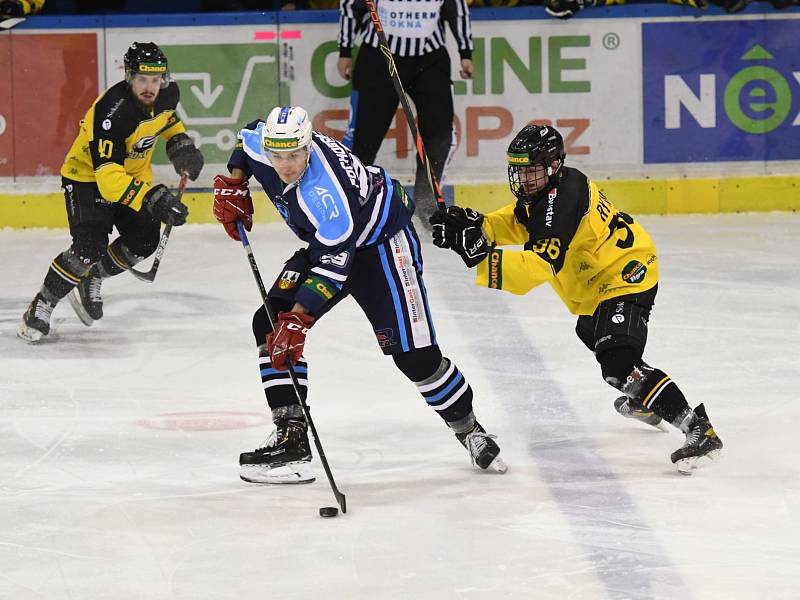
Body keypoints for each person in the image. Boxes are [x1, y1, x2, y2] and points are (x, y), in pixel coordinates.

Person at [212, 105, 506, 483]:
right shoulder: (266, 144)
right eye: (277, 156)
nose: (284, 165)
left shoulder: (327, 194)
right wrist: (236, 181)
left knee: (415, 358)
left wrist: (299, 320)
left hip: (380, 246)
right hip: (331, 245)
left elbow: (335, 267)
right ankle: (291, 433)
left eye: (293, 156)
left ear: (309, 148)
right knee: (268, 324)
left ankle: (470, 429)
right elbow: (249, 132)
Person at [428, 124, 723, 474]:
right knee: (594, 337)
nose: (524, 178)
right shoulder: (544, 193)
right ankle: (648, 399)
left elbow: (537, 267)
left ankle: (698, 429)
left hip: (625, 275)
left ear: (554, 165)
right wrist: (477, 226)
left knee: (616, 361)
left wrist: (478, 256)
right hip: (597, 285)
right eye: (519, 170)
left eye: (531, 170)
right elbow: (516, 221)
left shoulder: (562, 199)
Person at [18, 42, 203, 343]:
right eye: (142, 79)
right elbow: (108, 181)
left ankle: (93, 276)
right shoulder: (112, 112)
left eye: (155, 80)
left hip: (130, 176)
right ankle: (44, 302)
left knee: (144, 241)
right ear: (129, 76)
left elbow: (168, 119)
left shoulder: (168, 93)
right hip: (88, 178)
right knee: (89, 245)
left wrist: (179, 143)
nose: (149, 87)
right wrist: (152, 198)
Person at [337, 0, 474, 228]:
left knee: (439, 133)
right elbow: (351, 5)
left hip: (429, 59)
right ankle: (353, 202)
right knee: (364, 138)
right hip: (378, 56)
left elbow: (456, 9)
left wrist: (465, 52)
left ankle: (426, 202)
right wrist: (344, 50)